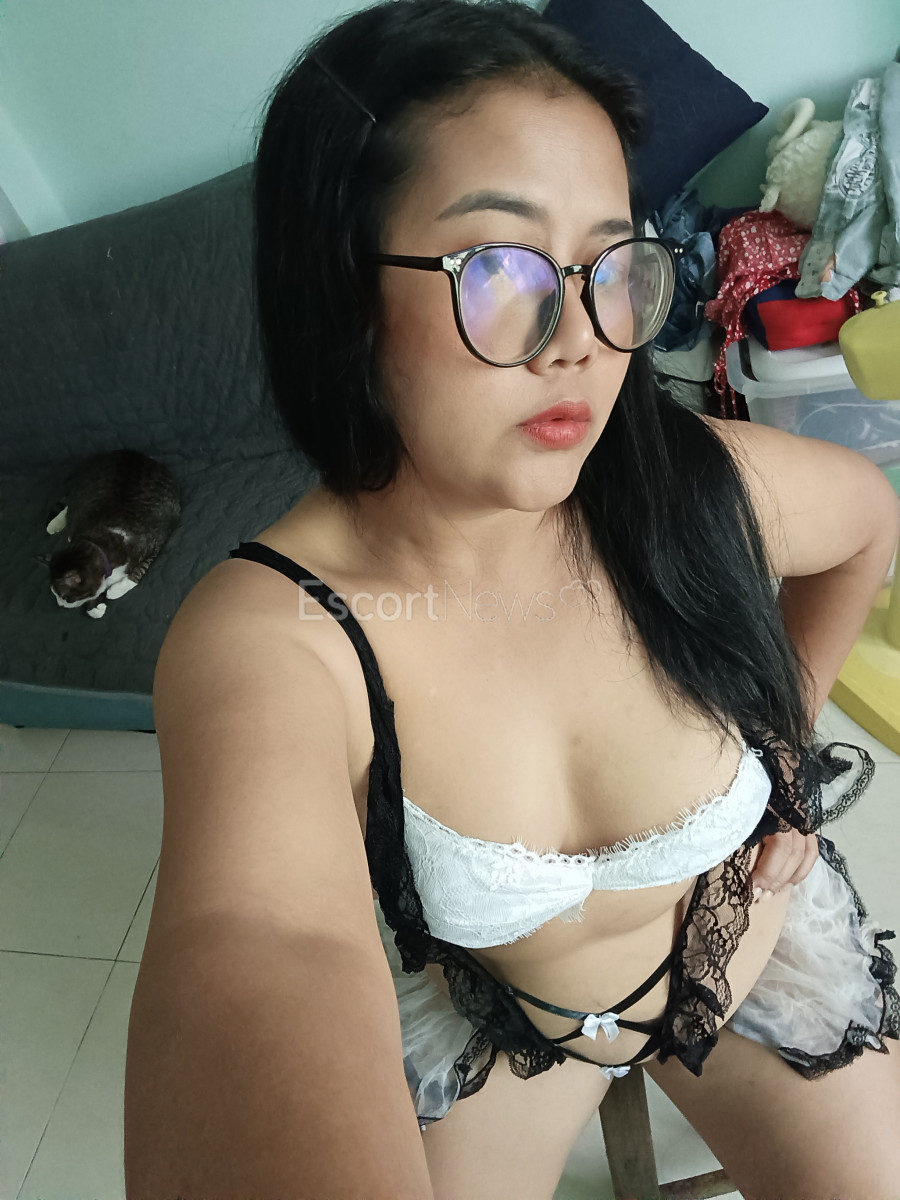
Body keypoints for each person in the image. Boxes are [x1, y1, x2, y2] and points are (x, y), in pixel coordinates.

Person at [124, 2, 900, 1197]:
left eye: (611, 263)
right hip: (509, 1026)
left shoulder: (699, 491)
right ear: (339, 287)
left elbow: (866, 524)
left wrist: (786, 743)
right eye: (499, 265)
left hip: (753, 961)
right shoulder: (283, 636)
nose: (581, 339)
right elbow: (264, 941)